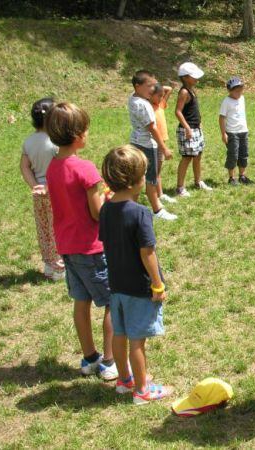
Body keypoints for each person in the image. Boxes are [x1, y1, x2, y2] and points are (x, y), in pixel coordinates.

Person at [45, 102, 117, 380]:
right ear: (77, 136)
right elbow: (97, 213)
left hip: (67, 246)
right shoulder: (85, 169)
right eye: (86, 130)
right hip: (91, 246)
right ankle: (110, 362)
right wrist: (108, 199)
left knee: (81, 300)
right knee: (112, 301)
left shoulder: (53, 166)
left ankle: (89, 358)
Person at [99, 145, 173, 404]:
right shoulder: (140, 213)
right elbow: (147, 253)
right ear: (135, 181)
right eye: (144, 175)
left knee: (120, 334)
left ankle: (124, 380)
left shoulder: (105, 210)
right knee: (137, 341)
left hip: (116, 285)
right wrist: (157, 283)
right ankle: (142, 390)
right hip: (139, 288)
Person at [20, 97, 65, 280]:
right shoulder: (57, 142)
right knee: (60, 226)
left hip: (39, 194)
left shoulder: (29, 142)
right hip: (57, 192)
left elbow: (24, 166)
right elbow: (65, 165)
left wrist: (35, 185)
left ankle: (48, 265)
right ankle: (60, 268)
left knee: (44, 227)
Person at [128, 70, 176, 221]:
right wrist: (164, 148)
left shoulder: (133, 97)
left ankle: (130, 209)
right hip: (147, 145)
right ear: (137, 86)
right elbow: (153, 128)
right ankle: (157, 210)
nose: (153, 89)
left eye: (154, 85)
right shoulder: (143, 104)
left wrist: (151, 81)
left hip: (136, 142)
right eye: (149, 86)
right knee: (151, 178)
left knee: (137, 177)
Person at [175, 62, 212, 197]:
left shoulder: (191, 90)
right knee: (187, 158)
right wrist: (187, 128)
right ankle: (180, 187)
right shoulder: (184, 92)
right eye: (193, 76)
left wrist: (198, 124)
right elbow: (178, 112)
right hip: (188, 131)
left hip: (196, 129)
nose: (197, 79)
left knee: (198, 156)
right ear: (185, 77)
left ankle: (198, 181)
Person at [219, 76, 252, 185]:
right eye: (236, 91)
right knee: (233, 155)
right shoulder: (226, 101)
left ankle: (242, 176)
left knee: (244, 154)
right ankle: (231, 178)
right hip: (232, 133)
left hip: (243, 131)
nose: (239, 93)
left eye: (240, 90)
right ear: (229, 91)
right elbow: (222, 118)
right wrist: (223, 133)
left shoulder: (242, 98)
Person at [149, 82, 177, 206]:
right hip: (153, 142)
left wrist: (157, 86)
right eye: (159, 95)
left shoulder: (160, 104)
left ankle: (160, 194)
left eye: (162, 95)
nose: (161, 97)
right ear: (150, 95)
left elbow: (169, 89)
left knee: (158, 170)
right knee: (153, 170)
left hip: (162, 141)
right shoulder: (148, 106)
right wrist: (152, 89)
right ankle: (155, 195)